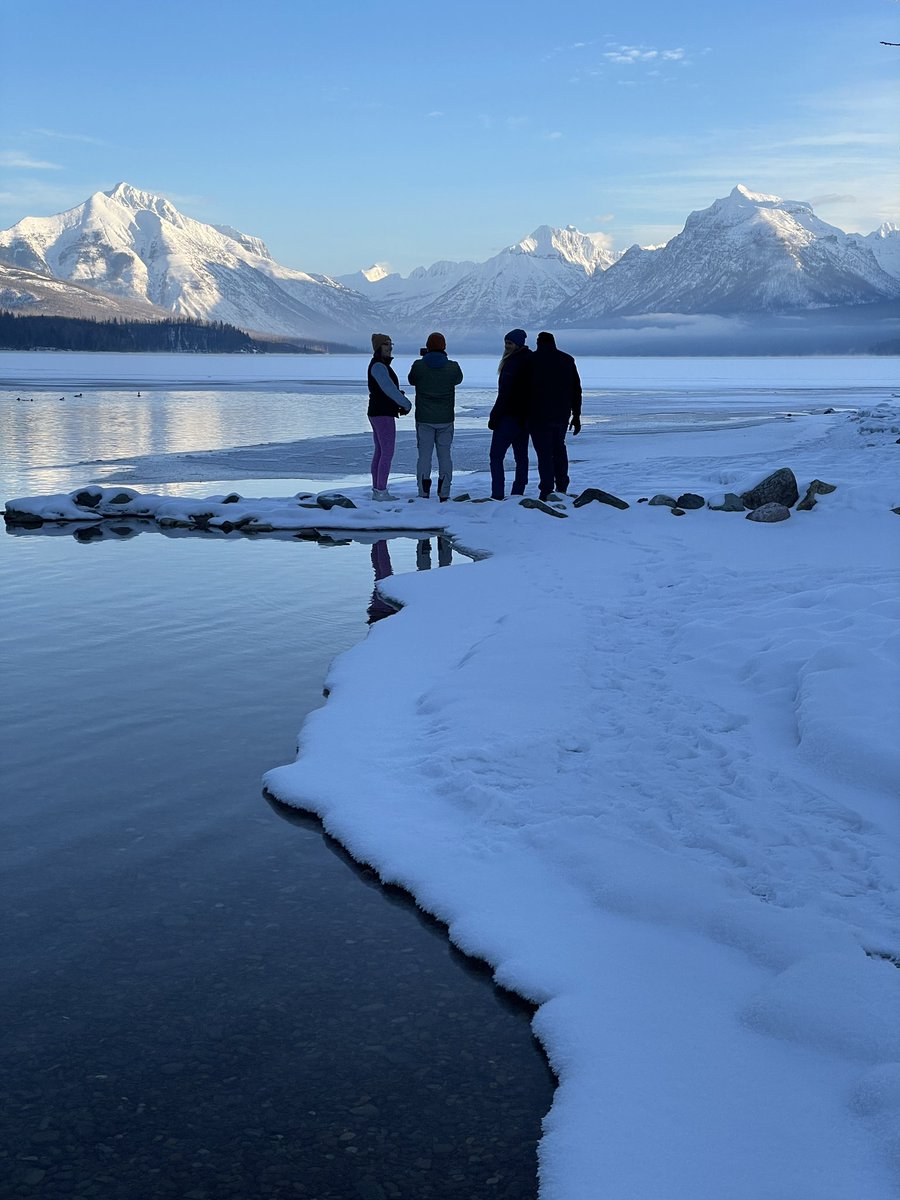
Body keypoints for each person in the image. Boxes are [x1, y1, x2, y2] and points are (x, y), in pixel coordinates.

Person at [407, 332, 463, 501]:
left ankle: (423, 491)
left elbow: (412, 380)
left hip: (424, 419)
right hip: (445, 419)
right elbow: (458, 379)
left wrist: (425, 360)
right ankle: (444, 492)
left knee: (424, 456)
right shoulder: (453, 367)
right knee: (445, 456)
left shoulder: (419, 366)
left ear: (428, 346)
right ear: (444, 347)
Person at [528, 331, 582, 501]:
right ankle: (562, 486)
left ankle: (546, 490)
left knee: (544, 453)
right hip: (561, 414)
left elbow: (523, 390)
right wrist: (576, 415)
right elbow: (576, 390)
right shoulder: (567, 360)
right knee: (559, 449)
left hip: (538, 415)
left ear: (538, 343)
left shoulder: (531, 360)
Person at [487, 329, 532, 500]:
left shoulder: (512, 364)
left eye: (510, 343)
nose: (506, 346)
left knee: (496, 456)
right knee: (521, 456)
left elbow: (505, 394)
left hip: (509, 417)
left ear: (518, 345)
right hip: (524, 418)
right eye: (506, 342)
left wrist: (494, 416)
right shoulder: (530, 360)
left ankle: (498, 493)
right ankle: (518, 491)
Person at [367, 333, 411, 500]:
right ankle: (381, 491)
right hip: (382, 413)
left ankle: (377, 489)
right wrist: (405, 403)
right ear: (378, 347)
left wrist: (399, 398)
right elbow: (388, 389)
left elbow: (387, 389)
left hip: (378, 411)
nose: (390, 347)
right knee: (386, 452)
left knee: (380, 451)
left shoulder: (380, 365)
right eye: (386, 344)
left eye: (391, 344)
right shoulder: (378, 366)